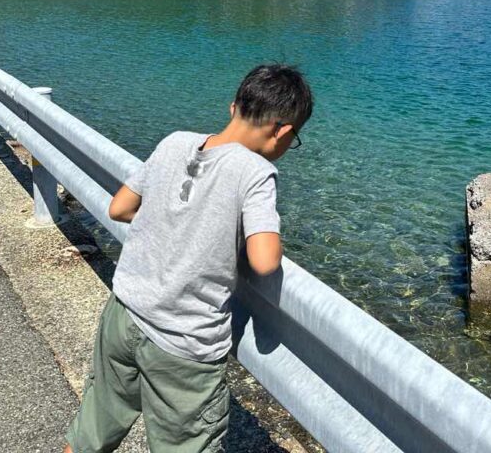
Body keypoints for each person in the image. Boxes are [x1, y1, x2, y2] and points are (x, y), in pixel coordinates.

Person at [64, 64, 313, 453]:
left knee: (91, 432)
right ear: (281, 130)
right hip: (182, 341)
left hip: (124, 313)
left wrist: (177, 224)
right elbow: (264, 261)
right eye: (293, 139)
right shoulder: (257, 172)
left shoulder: (175, 141)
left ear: (233, 108)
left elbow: (120, 208)